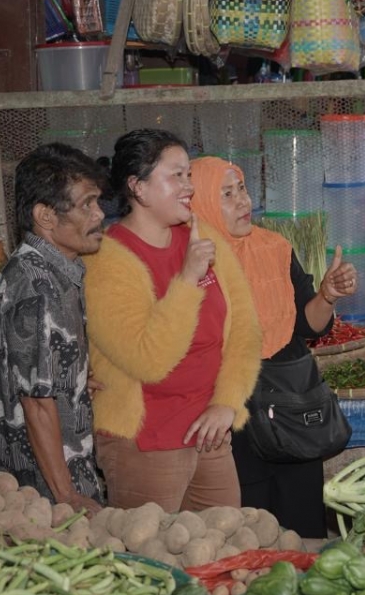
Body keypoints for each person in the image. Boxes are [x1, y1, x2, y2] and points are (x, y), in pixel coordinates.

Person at [85, 129, 262, 511]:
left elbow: (246, 328)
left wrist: (227, 402)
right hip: (145, 442)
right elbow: (149, 361)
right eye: (175, 176)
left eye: (188, 176)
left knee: (224, 546)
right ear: (138, 188)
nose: (188, 187)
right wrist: (186, 280)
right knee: (153, 560)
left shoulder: (201, 236)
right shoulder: (106, 260)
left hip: (209, 432)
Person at [189, 157, 356, 537]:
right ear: (199, 203)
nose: (243, 202)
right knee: (252, 529)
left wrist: (326, 296)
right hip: (235, 415)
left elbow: (307, 325)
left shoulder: (274, 247)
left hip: (290, 408)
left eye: (243, 189)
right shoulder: (193, 263)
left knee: (304, 526)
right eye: (226, 194)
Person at [0, 144, 109, 514]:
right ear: (45, 216)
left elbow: (28, 371)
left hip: (42, 480)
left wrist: (73, 378)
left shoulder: (46, 270)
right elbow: (36, 404)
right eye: (87, 204)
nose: (100, 214)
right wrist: (66, 496)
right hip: (39, 492)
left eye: (98, 202)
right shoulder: (37, 289)